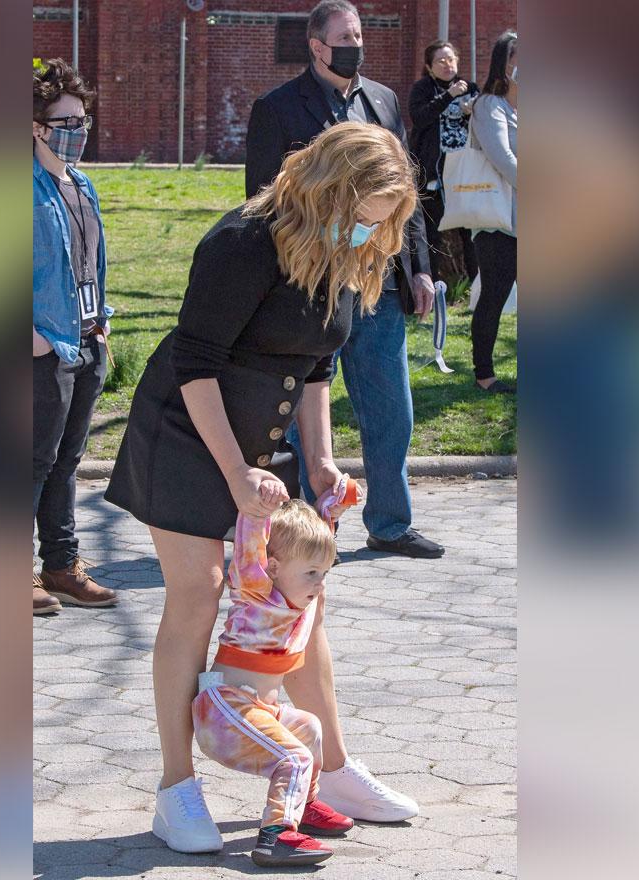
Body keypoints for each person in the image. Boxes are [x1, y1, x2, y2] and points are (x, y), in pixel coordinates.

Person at [105, 122, 421, 853]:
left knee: (300, 601)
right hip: (189, 434)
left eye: (378, 224)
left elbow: (314, 365)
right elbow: (196, 361)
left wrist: (320, 460)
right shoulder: (243, 242)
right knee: (200, 591)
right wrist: (235, 473)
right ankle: (176, 789)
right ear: (328, 191)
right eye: (360, 216)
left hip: (266, 445)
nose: (363, 234)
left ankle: (332, 771)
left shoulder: (339, 248)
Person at [244, 0, 445, 560]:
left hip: (377, 285)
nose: (356, 44)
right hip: (312, 289)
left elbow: (406, 196)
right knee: (308, 414)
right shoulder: (278, 110)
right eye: (345, 36)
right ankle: (312, 532)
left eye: (360, 34)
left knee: (391, 410)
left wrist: (421, 267)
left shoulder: (381, 101)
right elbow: (263, 205)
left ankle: (390, 522)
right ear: (316, 46)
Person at [191, 483, 360, 867]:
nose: (320, 584)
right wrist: (257, 512)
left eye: (325, 573)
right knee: (297, 757)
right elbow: (252, 551)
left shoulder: (297, 594)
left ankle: (304, 806)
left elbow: (313, 542)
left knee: (310, 729)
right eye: (313, 574)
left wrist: (335, 508)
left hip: (258, 709)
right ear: (275, 567)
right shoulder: (256, 591)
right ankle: (276, 837)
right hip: (223, 709)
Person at [33, 59, 118, 613]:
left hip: (86, 339)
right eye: (66, 122)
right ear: (36, 128)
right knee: (31, 460)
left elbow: (90, 263)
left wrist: (103, 320)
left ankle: (61, 565)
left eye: (83, 120)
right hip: (45, 346)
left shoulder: (81, 186)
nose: (77, 132)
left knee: (68, 460)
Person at [467, 32, 519, 394]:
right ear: (504, 63)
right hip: (498, 221)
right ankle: (484, 373)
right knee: (495, 295)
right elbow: (504, 160)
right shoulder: (489, 106)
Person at [409, 40, 481, 286]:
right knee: (431, 235)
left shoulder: (471, 88)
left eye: (451, 59)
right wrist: (448, 96)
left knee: (470, 235)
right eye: (440, 60)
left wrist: (476, 111)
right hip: (434, 176)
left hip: (465, 174)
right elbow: (419, 118)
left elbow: (486, 126)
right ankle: (429, 290)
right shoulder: (423, 89)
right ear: (429, 67)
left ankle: (478, 291)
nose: (447, 64)